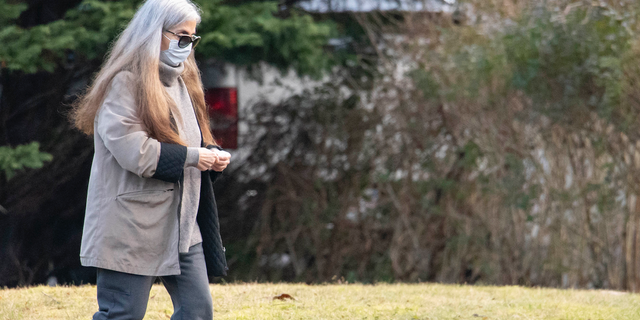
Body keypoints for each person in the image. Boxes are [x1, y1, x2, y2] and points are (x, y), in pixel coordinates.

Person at [68, 0, 230, 319]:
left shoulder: (184, 84)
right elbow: (135, 152)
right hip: (131, 226)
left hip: (183, 225)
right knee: (123, 313)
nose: (187, 45)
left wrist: (212, 156)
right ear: (153, 33)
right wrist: (196, 157)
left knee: (197, 311)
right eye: (181, 36)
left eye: (192, 38)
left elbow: (191, 145)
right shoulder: (124, 83)